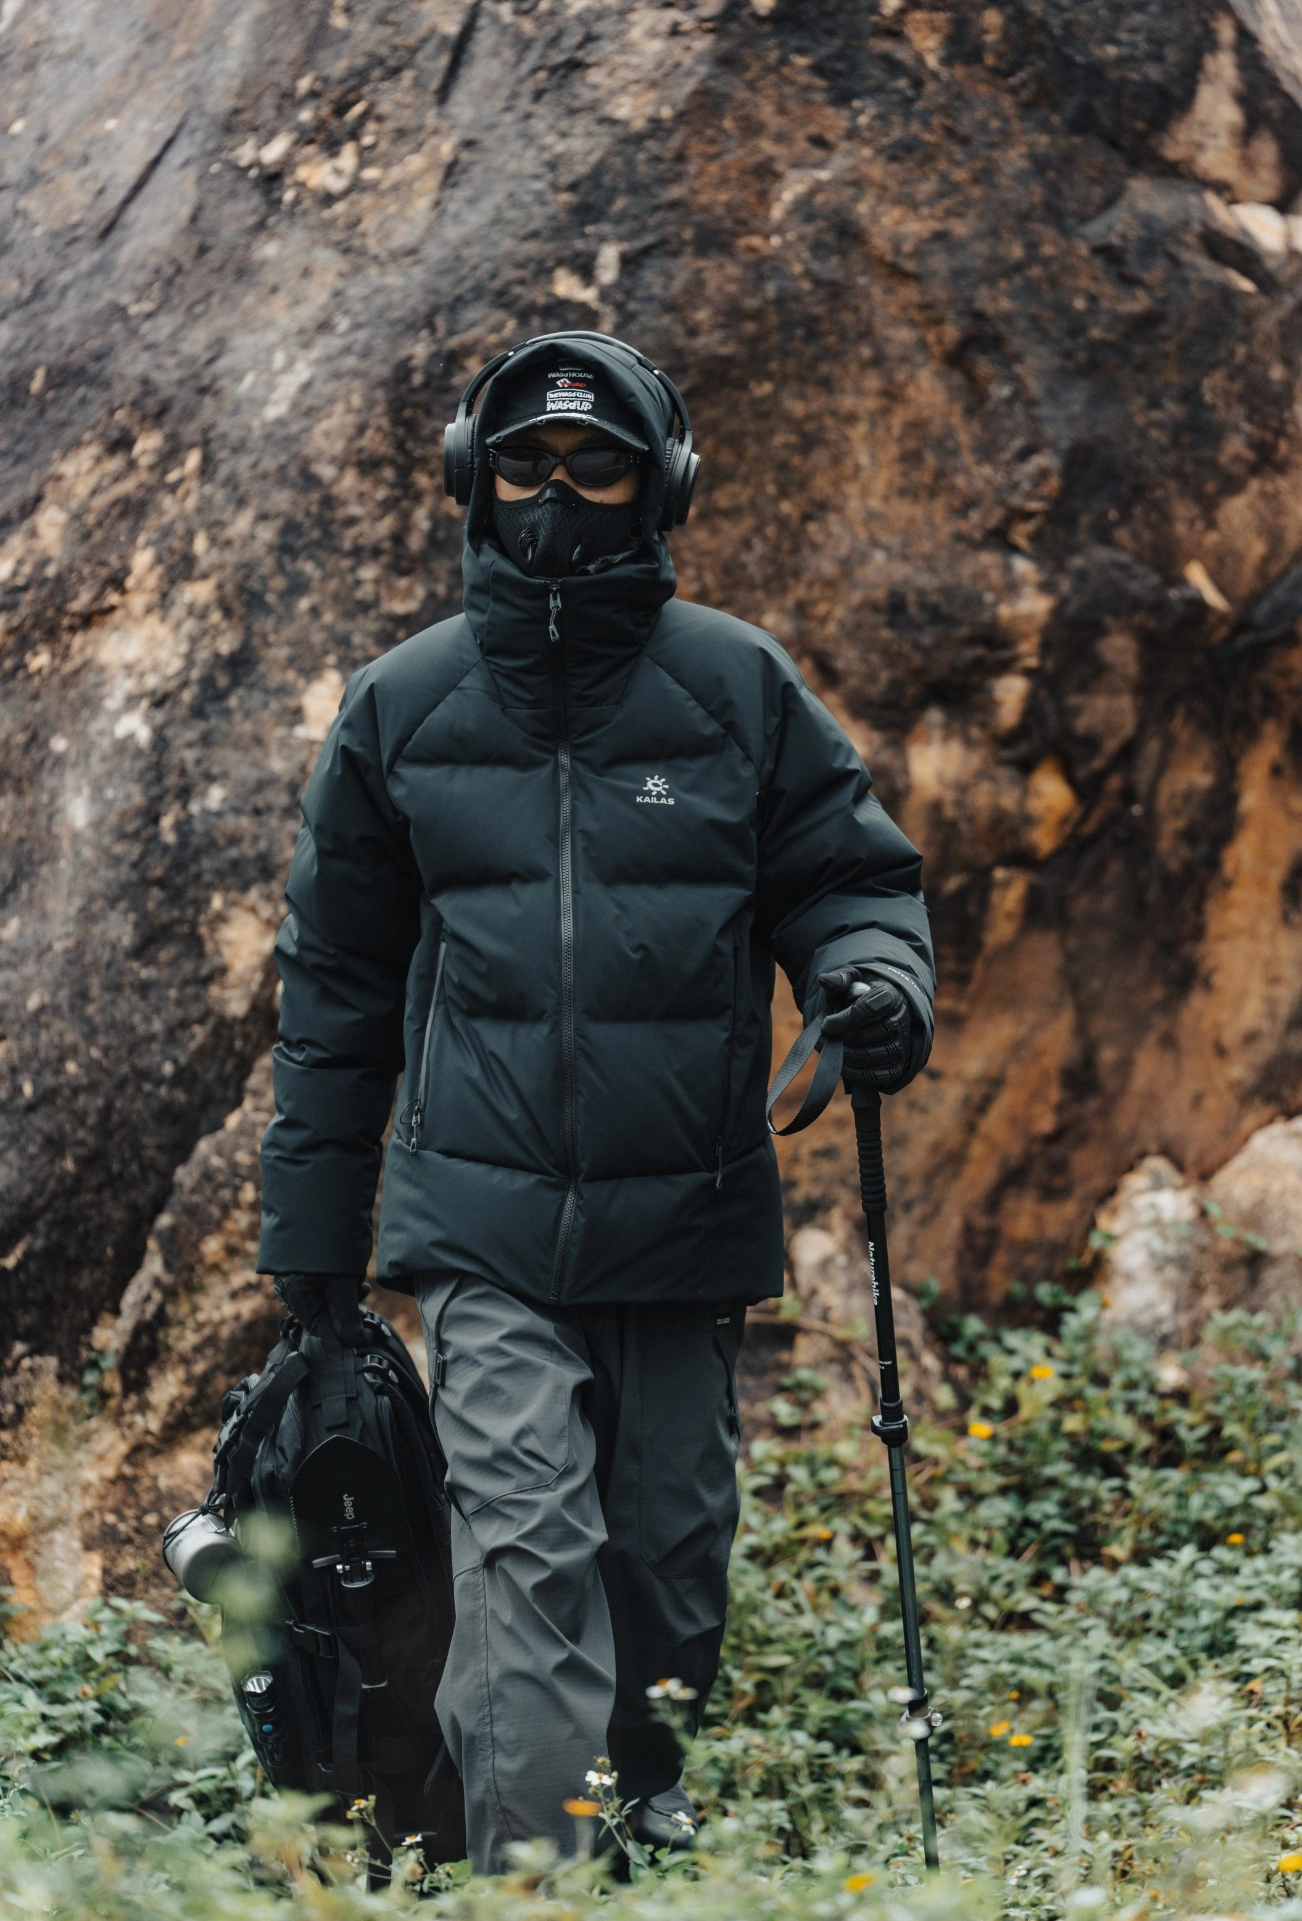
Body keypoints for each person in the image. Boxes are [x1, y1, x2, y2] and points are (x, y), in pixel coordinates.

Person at [257, 331, 935, 1874]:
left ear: (661, 485)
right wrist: (313, 1246)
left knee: (667, 1570)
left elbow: (851, 883)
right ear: (470, 480)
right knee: (527, 1557)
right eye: (523, 464)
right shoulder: (403, 709)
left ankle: (643, 1796)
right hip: (480, 1230)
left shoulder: (736, 688)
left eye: (597, 464)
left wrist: (875, 984)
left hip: (686, 1220)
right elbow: (334, 992)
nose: (555, 494)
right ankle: (531, 1888)